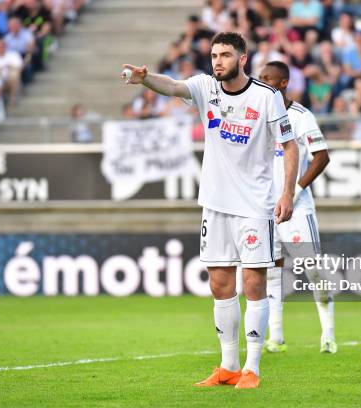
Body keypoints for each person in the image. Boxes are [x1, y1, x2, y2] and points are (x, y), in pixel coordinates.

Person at [121, 31, 299, 389]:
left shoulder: (267, 98)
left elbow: (289, 147)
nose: (218, 60)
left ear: (242, 59)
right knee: (220, 284)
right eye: (215, 55)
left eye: (226, 55)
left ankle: (252, 368)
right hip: (215, 204)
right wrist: (145, 79)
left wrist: (287, 194)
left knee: (253, 282)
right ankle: (228, 366)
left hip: (254, 206)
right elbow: (171, 86)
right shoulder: (206, 88)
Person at [258, 60, 335, 354]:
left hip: (297, 207)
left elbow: (322, 157)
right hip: (265, 207)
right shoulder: (259, 116)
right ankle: (275, 337)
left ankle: (327, 333)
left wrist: (295, 191)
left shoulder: (301, 116)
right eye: (259, 77)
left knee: (312, 269)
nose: (261, 82)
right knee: (273, 270)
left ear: (282, 83)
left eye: (267, 78)